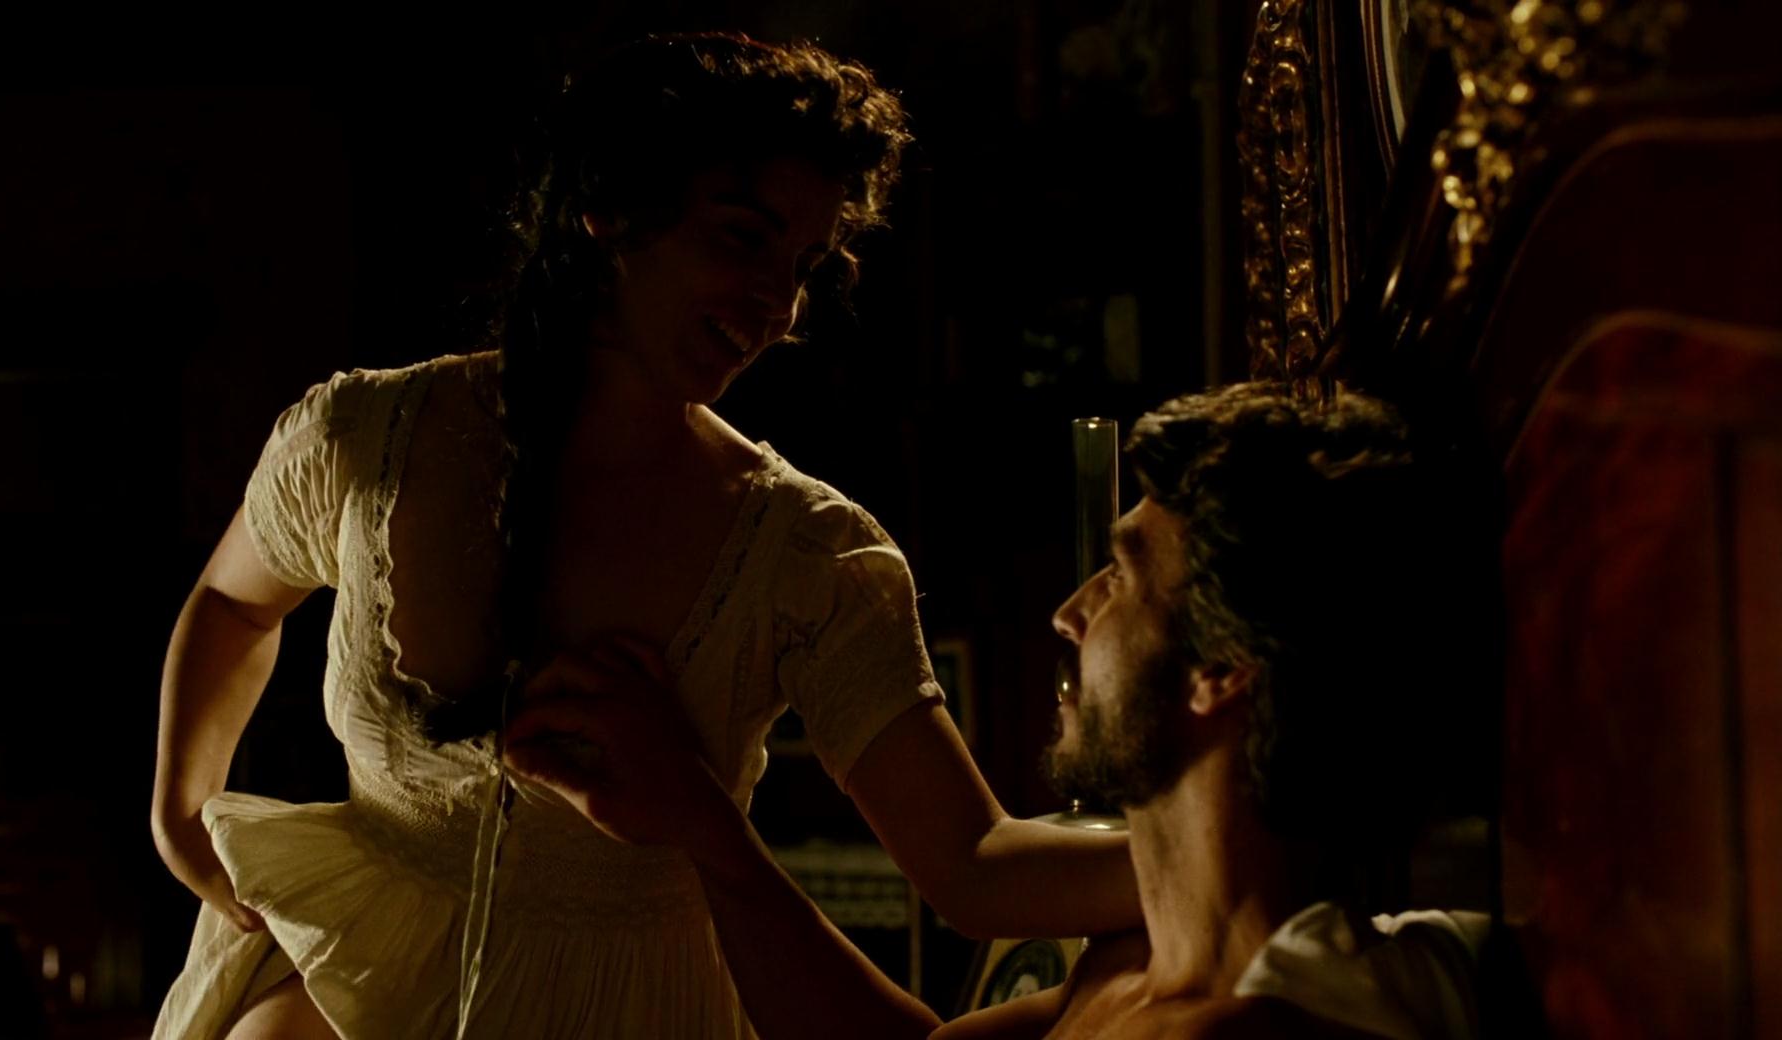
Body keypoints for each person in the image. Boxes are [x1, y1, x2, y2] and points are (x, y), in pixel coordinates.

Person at [149, 32, 1140, 1040]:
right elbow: (232, 601)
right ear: (611, 206)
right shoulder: (364, 441)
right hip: (348, 965)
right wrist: (180, 810)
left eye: (802, 264)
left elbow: (974, 866)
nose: (777, 303)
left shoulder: (808, 557)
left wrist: (1223, 849)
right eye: (742, 238)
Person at [508, 383, 1492, 1040]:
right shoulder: (1129, 965)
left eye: (1121, 576)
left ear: (1222, 669)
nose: (1071, 613)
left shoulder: (1269, 1019)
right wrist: (703, 826)